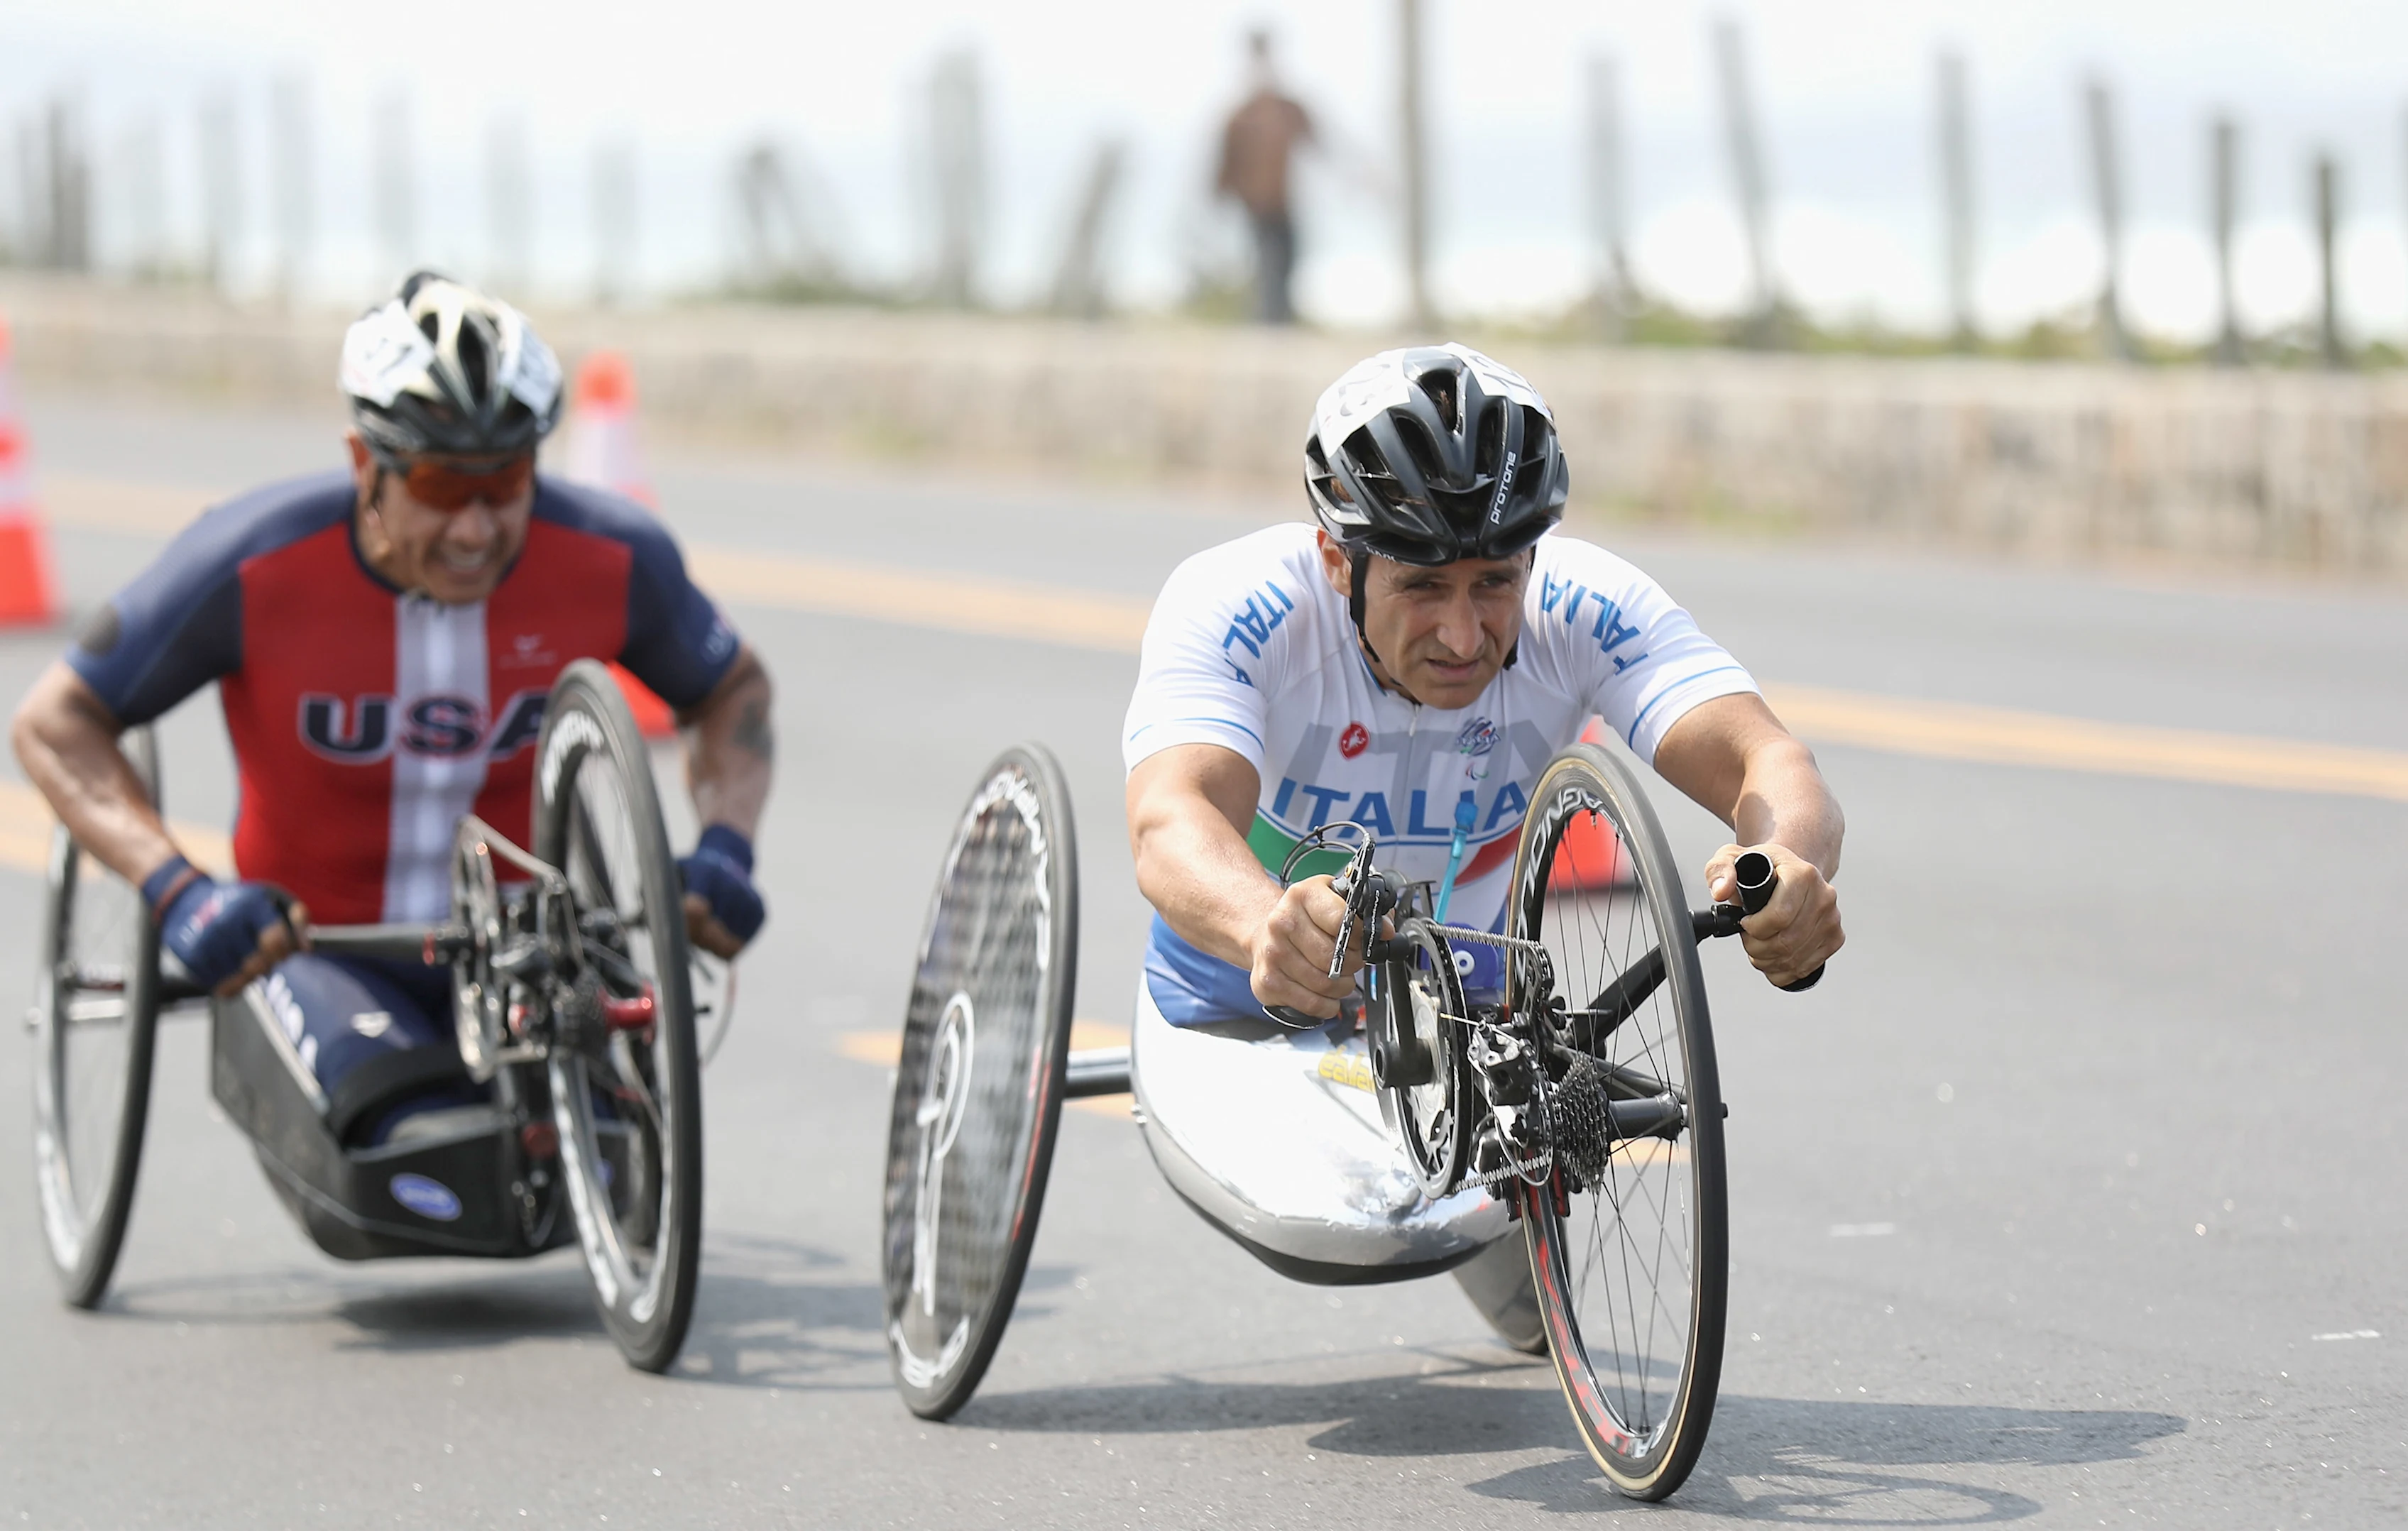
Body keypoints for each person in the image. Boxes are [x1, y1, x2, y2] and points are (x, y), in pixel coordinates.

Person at [12, 270, 774, 1148]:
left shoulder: (616, 556)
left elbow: (734, 693)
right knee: (415, 1145)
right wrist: (177, 889)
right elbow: (55, 722)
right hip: (319, 947)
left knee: (614, 1156)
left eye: (508, 481)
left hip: (531, 952)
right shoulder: (247, 563)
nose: (477, 529)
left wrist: (727, 846)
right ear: (363, 462)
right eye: (445, 489)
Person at [1123, 342, 1842, 1032]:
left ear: (1531, 558)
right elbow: (1169, 815)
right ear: (1338, 564)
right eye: (1422, 587)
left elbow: (1767, 760)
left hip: (1463, 994)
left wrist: (1784, 863)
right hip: (1241, 982)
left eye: (1494, 582)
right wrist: (1258, 926)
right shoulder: (1239, 603)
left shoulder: (1583, 605)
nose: (1463, 637)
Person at [1215, 29, 1315, 326]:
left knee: (1287, 259)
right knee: (1268, 260)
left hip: (1283, 202)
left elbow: (1317, 141)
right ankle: (1270, 320)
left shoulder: (1288, 110)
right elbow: (1226, 161)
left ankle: (1278, 320)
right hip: (1256, 204)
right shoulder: (1241, 117)